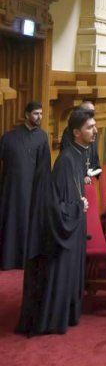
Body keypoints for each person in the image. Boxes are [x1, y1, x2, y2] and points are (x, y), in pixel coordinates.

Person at [16, 109, 93, 336]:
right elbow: (52, 206)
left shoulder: (78, 155)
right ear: (76, 132)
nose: (95, 131)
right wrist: (78, 207)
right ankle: (53, 318)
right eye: (90, 127)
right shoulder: (66, 160)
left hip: (75, 228)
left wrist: (78, 205)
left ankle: (67, 313)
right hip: (63, 232)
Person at [0, 102, 51, 271]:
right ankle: (7, 260)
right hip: (10, 191)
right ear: (27, 114)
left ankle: (23, 261)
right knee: (10, 224)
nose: (39, 117)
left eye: (41, 114)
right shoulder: (9, 137)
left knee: (26, 224)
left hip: (31, 191)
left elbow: (44, 169)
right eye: (36, 113)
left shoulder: (42, 137)